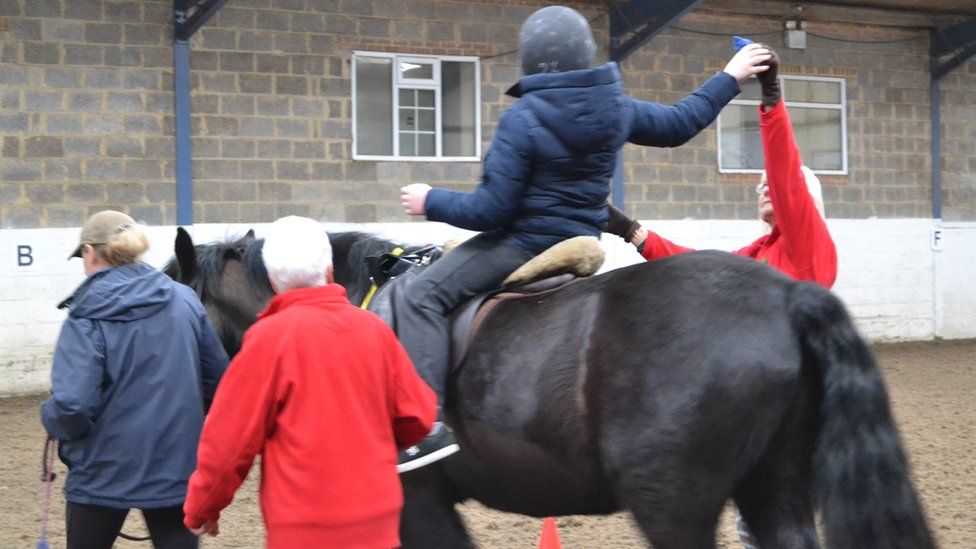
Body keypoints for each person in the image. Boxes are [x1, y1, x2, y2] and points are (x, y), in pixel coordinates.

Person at [396, 5, 773, 471]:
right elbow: (679, 125)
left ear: (532, 62)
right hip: (582, 242)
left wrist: (430, 200)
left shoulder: (523, 117)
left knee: (421, 293)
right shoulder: (614, 106)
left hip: (523, 243)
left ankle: (425, 429)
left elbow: (491, 210)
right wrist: (730, 76)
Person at [182, 216, 437, 548]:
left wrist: (202, 509)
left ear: (272, 281)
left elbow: (229, 443)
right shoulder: (374, 329)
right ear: (330, 270)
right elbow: (417, 417)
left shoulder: (268, 339)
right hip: (378, 522)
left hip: (304, 528)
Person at [40, 210, 229, 549]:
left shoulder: (85, 315)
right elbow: (220, 383)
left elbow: (72, 406)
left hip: (102, 471)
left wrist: (50, 417)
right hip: (174, 467)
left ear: (90, 252)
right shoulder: (184, 299)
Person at [606, 45, 838, 289]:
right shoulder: (760, 251)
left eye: (772, 185)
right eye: (762, 187)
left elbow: (786, 176)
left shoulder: (809, 243)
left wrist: (771, 95)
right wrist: (631, 231)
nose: (767, 190)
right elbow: (703, 268)